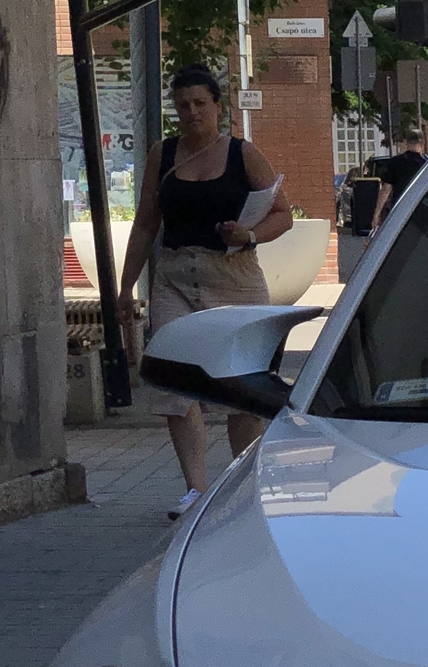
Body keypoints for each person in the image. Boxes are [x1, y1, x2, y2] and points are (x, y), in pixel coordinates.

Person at [115, 64, 294, 518]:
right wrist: (124, 288)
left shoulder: (243, 154)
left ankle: (240, 488)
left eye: (200, 103)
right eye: (182, 105)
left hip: (233, 276)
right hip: (175, 275)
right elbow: (146, 223)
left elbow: (282, 215)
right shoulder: (164, 154)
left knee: (240, 390)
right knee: (175, 384)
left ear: (217, 106)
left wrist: (249, 236)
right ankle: (196, 489)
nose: (191, 112)